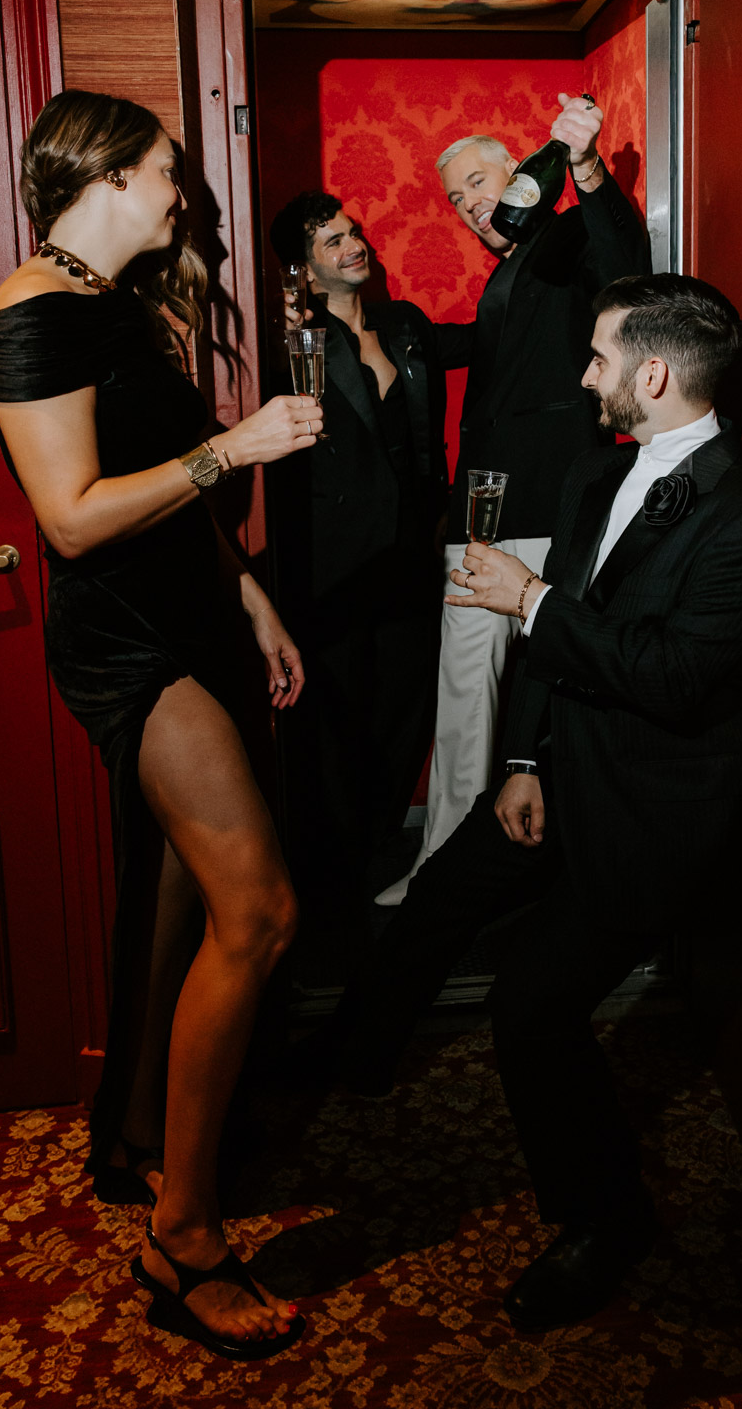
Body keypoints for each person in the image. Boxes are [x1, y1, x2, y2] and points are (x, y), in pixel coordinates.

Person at [325, 273, 742, 1331]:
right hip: (555, 778)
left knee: (527, 1007)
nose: (579, 374)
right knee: (438, 892)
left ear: (651, 372)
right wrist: (523, 764)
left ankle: (604, 1220)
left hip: (644, 819)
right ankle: (350, 1065)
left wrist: (531, 599)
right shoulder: (598, 475)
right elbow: (555, 654)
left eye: (593, 357)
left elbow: (670, 674)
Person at [0, 90, 321, 1361]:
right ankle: (183, 1236)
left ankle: (141, 1134)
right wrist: (237, 448)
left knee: (183, 908)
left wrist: (251, 594)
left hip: (200, 619)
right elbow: (69, 517)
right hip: (128, 646)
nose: (183, 194)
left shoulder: (117, 307)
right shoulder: (24, 318)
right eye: (168, 172)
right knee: (261, 909)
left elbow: (171, 500)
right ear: (107, 174)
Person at [379, 91, 651, 905]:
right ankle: (449, 872)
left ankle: (496, 872)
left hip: (545, 506)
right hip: (485, 512)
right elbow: (486, 361)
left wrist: (584, 165)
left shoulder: (564, 240)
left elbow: (625, 255)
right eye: (456, 198)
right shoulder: (512, 272)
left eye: (477, 185)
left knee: (523, 693)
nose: (468, 206)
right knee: (470, 692)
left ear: (517, 177)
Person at [268, 193, 447, 972]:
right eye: (330, 239)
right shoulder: (299, 339)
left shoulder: (403, 326)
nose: (352, 243)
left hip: (409, 553)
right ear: (301, 263)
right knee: (335, 715)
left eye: (352, 231)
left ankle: (379, 853)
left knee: (405, 706)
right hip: (332, 560)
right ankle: (330, 880)